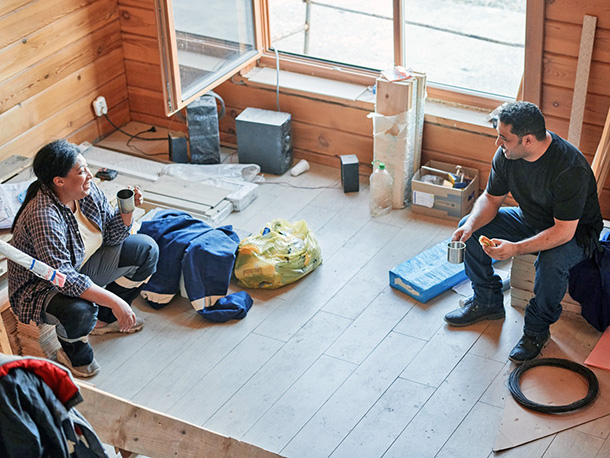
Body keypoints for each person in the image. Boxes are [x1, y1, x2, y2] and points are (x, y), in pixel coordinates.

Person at [444, 101, 603, 363]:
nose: (498, 143)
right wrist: (470, 225)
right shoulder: (508, 155)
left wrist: (516, 248)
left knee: (551, 262)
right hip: (531, 218)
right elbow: (491, 199)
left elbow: (563, 231)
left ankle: (536, 331)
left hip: (575, 232)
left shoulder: (569, 167)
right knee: (471, 227)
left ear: (528, 140)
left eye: (504, 138)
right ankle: (487, 302)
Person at [8, 140, 159, 377]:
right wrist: (114, 300)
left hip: (80, 266)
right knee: (81, 310)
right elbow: (63, 278)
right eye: (81, 171)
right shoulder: (44, 215)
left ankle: (105, 320)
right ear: (59, 181)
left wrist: (126, 211)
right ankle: (74, 352)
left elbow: (111, 236)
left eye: (86, 168)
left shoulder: (85, 191)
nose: (89, 175)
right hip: (42, 289)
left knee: (146, 250)